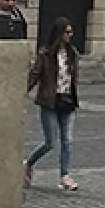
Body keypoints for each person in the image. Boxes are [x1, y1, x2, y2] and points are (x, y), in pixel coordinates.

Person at [25, 19, 80, 191]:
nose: (70, 35)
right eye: (67, 32)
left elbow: (73, 79)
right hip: (49, 102)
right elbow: (34, 75)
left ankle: (65, 176)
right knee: (50, 142)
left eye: (71, 32)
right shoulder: (45, 54)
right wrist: (23, 91)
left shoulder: (73, 53)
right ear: (59, 33)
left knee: (67, 141)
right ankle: (28, 163)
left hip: (68, 101)